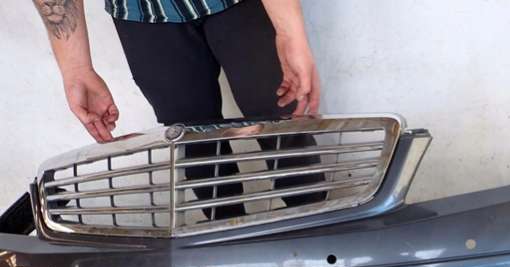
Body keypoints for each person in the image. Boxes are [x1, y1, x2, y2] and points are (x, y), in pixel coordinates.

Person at [33, 0, 324, 218]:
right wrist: (77, 69)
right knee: (196, 145)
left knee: (283, 125)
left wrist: (290, 33)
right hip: (143, 14)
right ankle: (230, 256)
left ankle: (321, 240)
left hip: (239, 5)